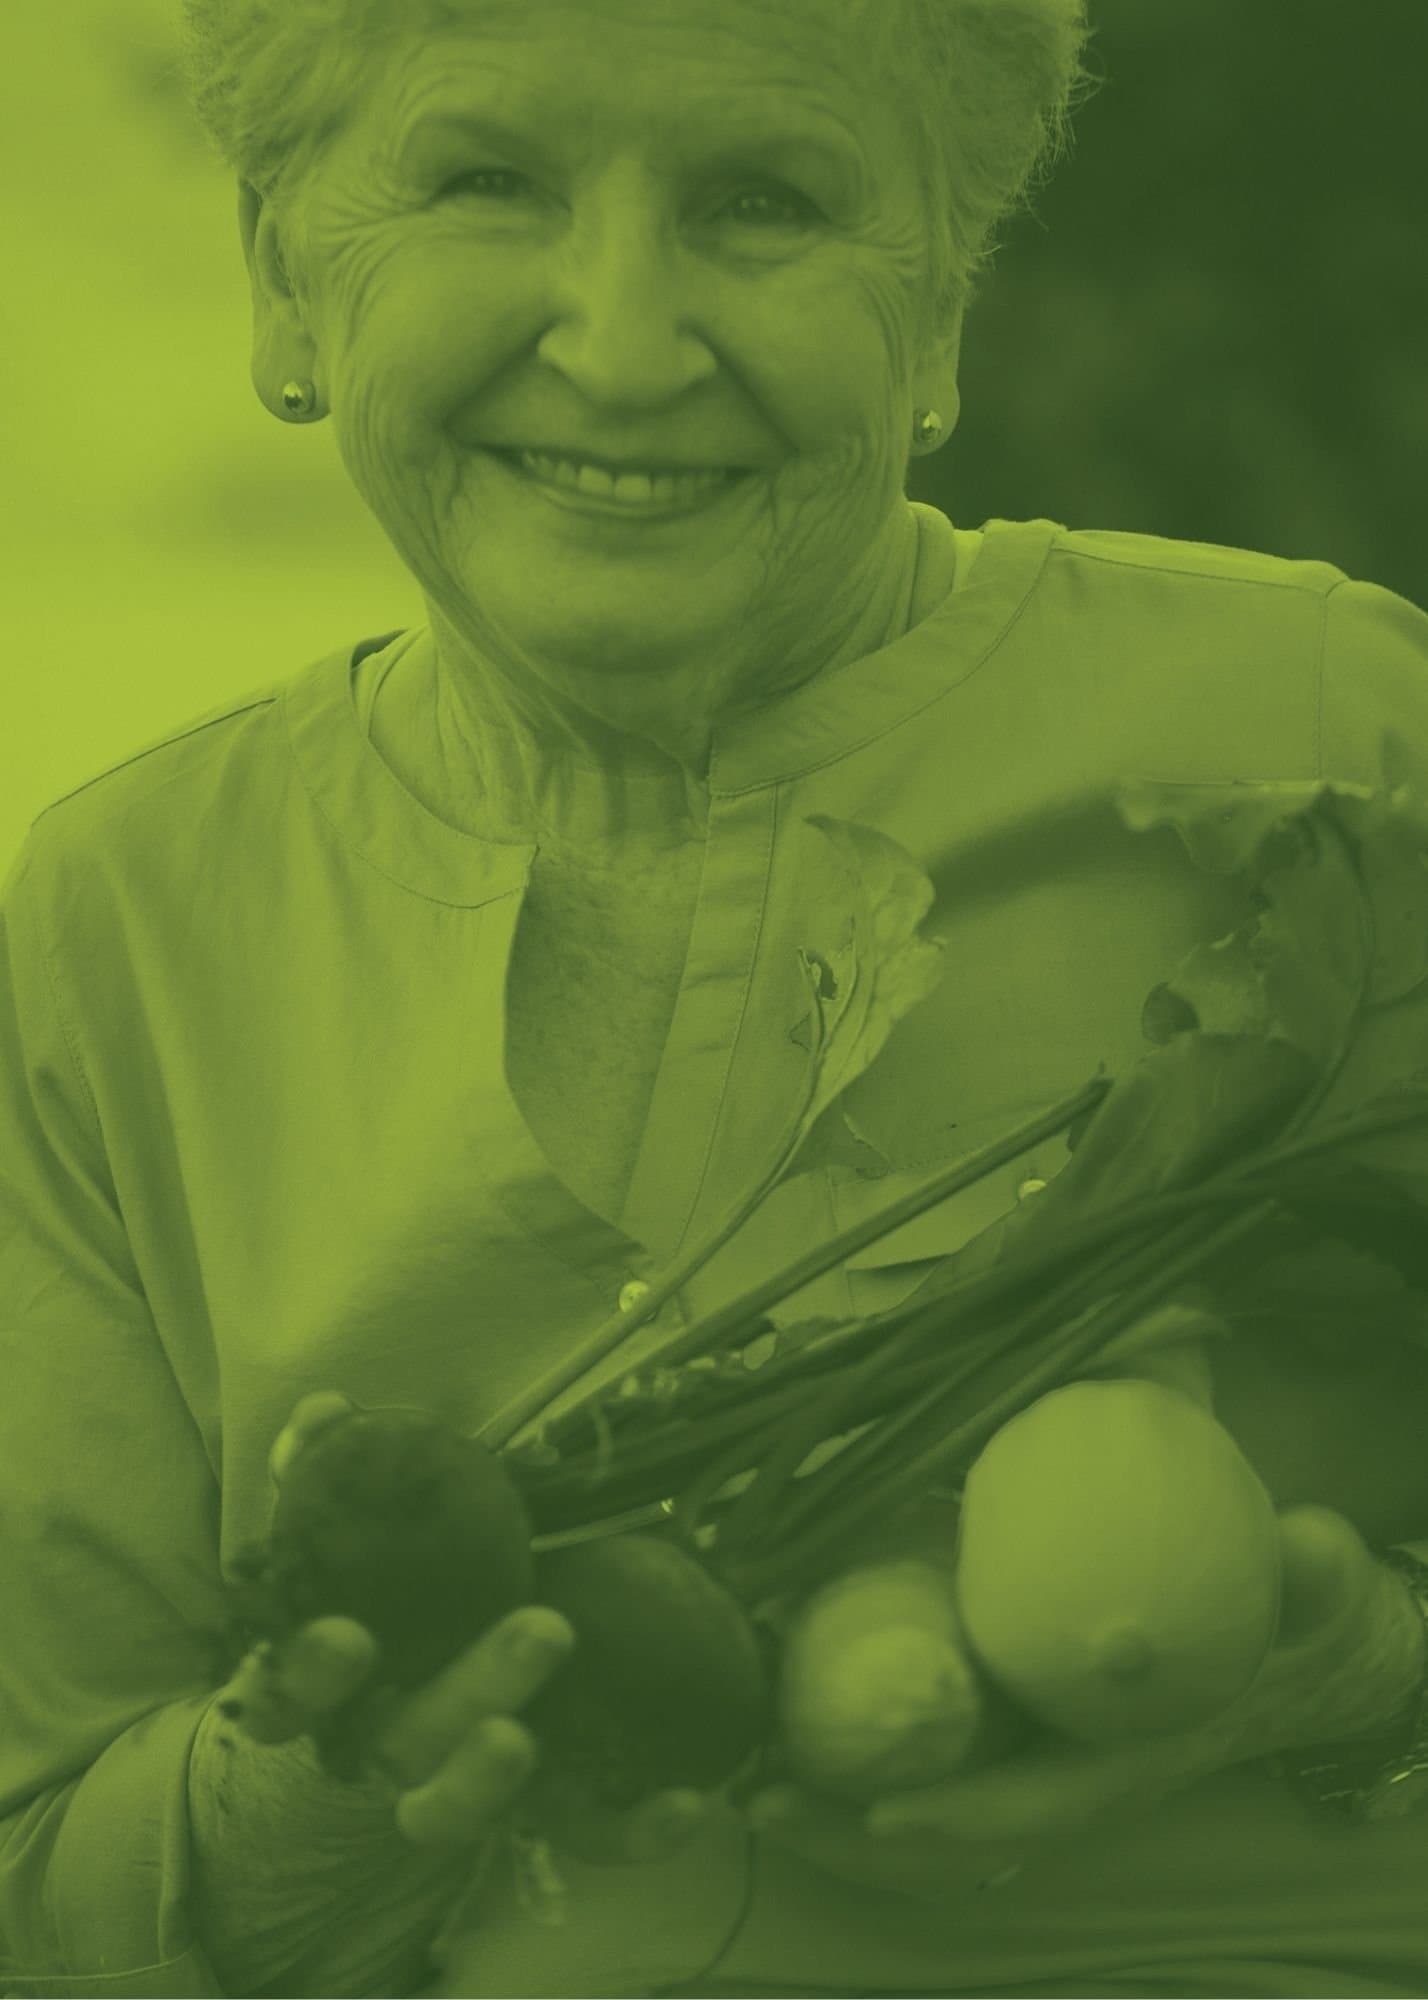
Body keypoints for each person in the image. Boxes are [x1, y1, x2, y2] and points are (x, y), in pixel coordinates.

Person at [4, 0, 1428, 1993]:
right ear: (281, 282)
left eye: (763, 201)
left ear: (937, 317)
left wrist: (1359, 1673)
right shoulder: (115, 925)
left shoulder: (1346, 736)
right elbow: (43, 1883)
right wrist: (327, 1783)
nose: (623, 338)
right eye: (486, 180)